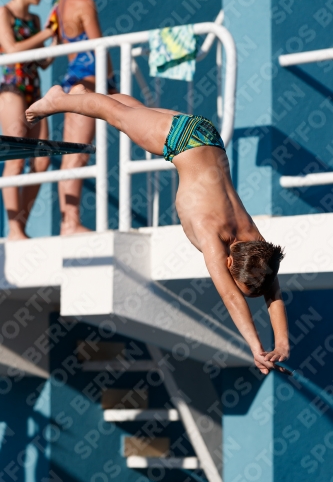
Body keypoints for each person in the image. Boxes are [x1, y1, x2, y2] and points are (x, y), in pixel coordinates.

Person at [25, 84, 290, 375]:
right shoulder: (212, 236)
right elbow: (230, 298)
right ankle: (57, 100)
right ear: (230, 264)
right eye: (235, 280)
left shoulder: (254, 242)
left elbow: (271, 287)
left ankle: (79, 94)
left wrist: (282, 341)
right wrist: (255, 347)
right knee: (116, 115)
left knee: (134, 112)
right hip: (180, 141)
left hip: (206, 136)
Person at [47, 0, 117, 235]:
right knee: (77, 153)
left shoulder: (58, 6)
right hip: (88, 81)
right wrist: (110, 80)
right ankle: (70, 222)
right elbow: (99, 47)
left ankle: (69, 221)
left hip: (73, 80)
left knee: (72, 154)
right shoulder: (83, 2)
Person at [0, 0, 57, 240]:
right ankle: (14, 229)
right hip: (13, 88)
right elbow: (11, 49)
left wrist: (55, 41)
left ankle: (19, 226)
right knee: (15, 159)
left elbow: (42, 61)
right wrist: (46, 33)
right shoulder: (4, 13)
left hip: (34, 88)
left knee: (42, 159)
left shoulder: (33, 19)